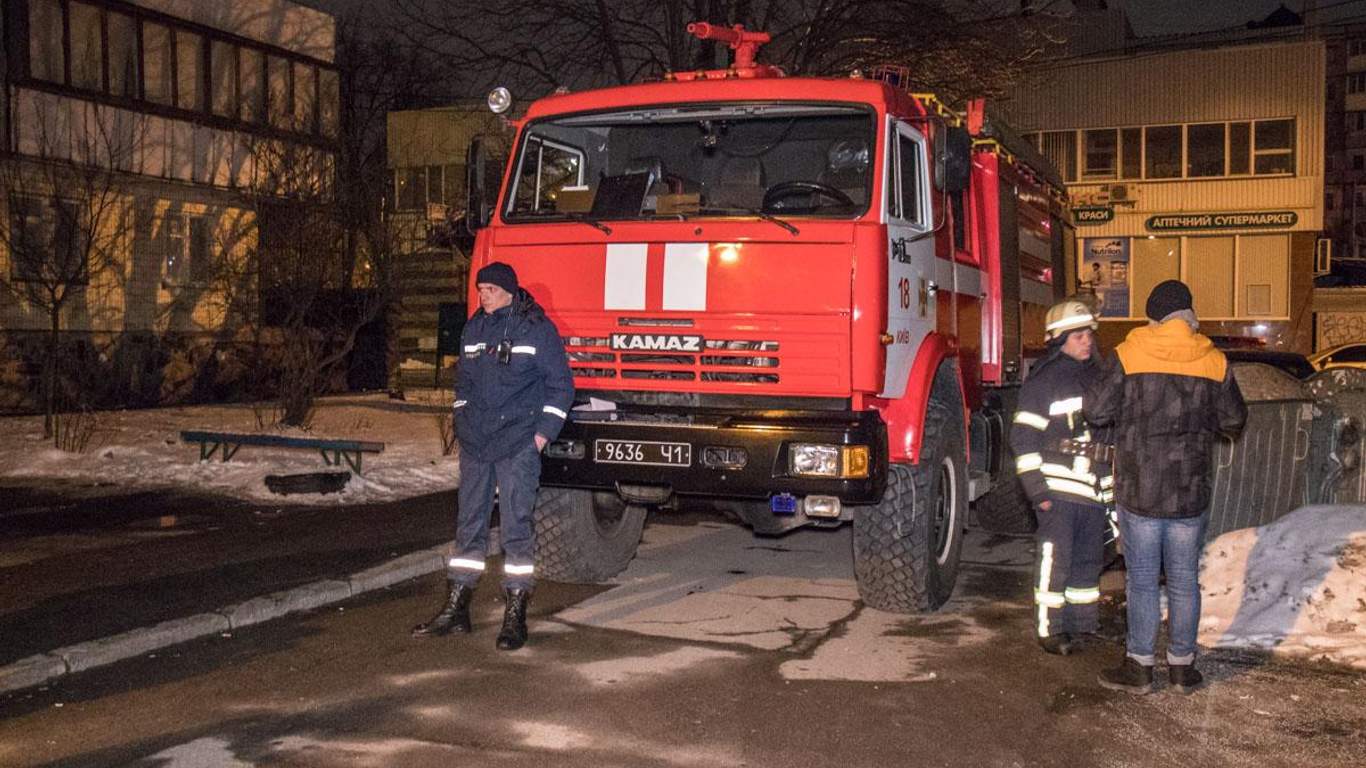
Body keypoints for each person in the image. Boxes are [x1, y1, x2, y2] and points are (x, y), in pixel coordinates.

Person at [1085, 280, 1247, 694]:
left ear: (1153, 315)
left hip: (1139, 488)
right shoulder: (1213, 360)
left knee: (1140, 579)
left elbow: (1096, 409)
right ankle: (1182, 667)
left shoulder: (1130, 353)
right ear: (1188, 315)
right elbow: (1233, 420)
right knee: (1183, 579)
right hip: (1190, 492)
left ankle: (1139, 666)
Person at [412, 262, 574, 651]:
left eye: (488, 289)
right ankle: (457, 609)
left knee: (516, 529)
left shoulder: (535, 328)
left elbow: (561, 387)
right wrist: (461, 419)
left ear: (507, 290)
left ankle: (515, 614)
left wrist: (540, 437)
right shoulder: (475, 328)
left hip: (517, 444)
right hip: (477, 445)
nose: (481, 295)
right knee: (469, 525)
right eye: (479, 288)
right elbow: (463, 382)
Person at [1010, 300, 1115, 657]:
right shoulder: (1044, 382)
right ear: (1059, 340)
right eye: (1079, 336)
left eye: (1089, 336)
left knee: (1088, 561)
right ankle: (1049, 629)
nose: (1087, 342)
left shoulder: (1098, 376)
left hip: (1093, 490)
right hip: (1058, 488)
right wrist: (1037, 490)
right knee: (1057, 561)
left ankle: (1082, 623)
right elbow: (1023, 439)